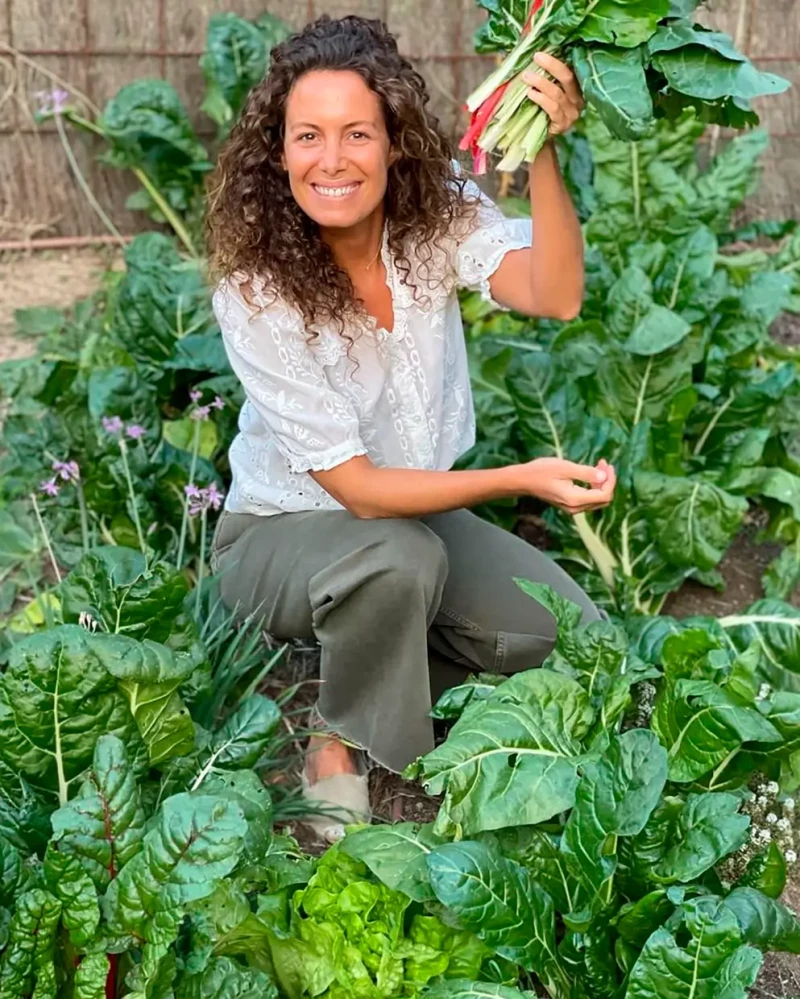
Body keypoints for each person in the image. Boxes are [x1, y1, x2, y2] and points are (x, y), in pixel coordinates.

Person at [205, 14, 616, 842]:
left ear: (394, 141)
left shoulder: (437, 220)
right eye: (307, 136)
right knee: (401, 556)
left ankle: (376, 645)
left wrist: (542, 147)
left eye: (358, 133)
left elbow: (555, 293)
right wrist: (518, 479)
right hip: (278, 540)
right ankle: (336, 741)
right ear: (277, 152)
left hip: (410, 520)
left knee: (579, 640)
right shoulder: (257, 290)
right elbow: (355, 491)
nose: (331, 159)